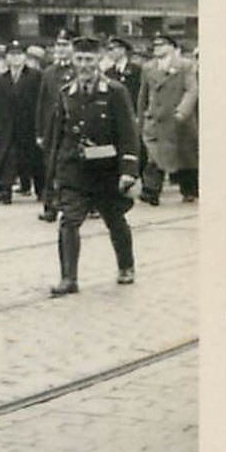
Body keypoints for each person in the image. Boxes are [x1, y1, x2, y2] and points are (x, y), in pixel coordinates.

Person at [46, 35, 140, 295]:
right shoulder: (66, 93)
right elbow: (58, 135)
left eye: (89, 59)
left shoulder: (114, 91)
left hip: (107, 171)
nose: (84, 65)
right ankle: (69, 278)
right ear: (73, 60)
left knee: (115, 219)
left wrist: (128, 170)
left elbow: (128, 133)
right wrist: (54, 173)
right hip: (75, 170)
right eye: (79, 59)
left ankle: (126, 266)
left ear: (99, 60)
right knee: (69, 221)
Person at [137, 33, 198, 206]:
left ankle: (189, 190)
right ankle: (151, 191)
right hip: (155, 119)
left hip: (178, 121)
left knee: (184, 157)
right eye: (155, 45)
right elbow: (144, 94)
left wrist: (183, 112)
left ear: (172, 47)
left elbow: (192, 90)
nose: (158, 47)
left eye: (162, 44)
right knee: (154, 156)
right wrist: (141, 116)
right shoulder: (148, 67)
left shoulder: (185, 66)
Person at [0, 41, 43, 203]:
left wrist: (41, 127)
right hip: (8, 128)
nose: (16, 58)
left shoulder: (35, 76)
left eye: (19, 54)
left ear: (25, 57)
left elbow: (40, 102)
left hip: (30, 125)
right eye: (12, 55)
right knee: (9, 158)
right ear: (7, 58)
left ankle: (42, 189)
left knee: (35, 159)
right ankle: (6, 190)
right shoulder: (2, 79)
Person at [34, 32, 78, 222]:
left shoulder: (79, 70)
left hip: (72, 126)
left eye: (65, 45)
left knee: (74, 166)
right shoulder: (49, 72)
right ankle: (50, 206)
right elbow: (42, 102)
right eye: (58, 45)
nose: (60, 49)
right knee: (50, 166)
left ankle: (77, 205)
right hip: (51, 127)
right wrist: (39, 131)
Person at [102, 36, 144, 105]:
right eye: (108, 50)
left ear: (122, 50)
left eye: (112, 49)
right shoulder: (108, 72)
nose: (109, 52)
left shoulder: (136, 70)